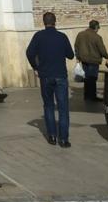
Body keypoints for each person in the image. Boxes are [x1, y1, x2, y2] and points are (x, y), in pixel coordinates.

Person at [26, 12, 74, 147]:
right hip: (60, 75)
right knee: (63, 108)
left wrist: (35, 67)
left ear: (43, 22)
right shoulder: (62, 37)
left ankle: (52, 136)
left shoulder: (38, 36)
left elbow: (29, 52)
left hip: (45, 76)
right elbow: (70, 55)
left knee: (48, 106)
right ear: (55, 21)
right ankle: (63, 139)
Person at [74, 20, 108, 103]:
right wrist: (107, 57)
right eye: (98, 28)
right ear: (96, 27)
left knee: (87, 78)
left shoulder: (80, 35)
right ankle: (92, 96)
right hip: (94, 60)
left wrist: (78, 56)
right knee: (92, 78)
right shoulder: (97, 37)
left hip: (84, 59)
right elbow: (102, 49)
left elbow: (76, 46)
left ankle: (87, 96)